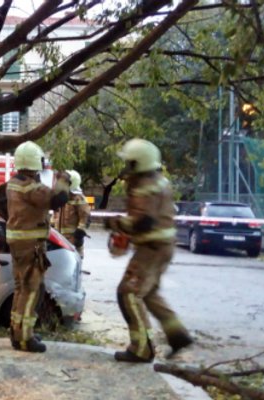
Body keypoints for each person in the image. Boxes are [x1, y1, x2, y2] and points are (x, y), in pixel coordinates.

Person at [103, 139, 193, 363]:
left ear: (138, 163)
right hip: (163, 247)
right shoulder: (159, 181)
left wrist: (116, 224)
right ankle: (178, 334)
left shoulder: (144, 185)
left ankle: (141, 348)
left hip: (150, 249)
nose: (126, 168)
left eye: (129, 163)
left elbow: (143, 222)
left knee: (128, 292)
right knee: (150, 294)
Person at [6, 141, 69, 353]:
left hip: (19, 244)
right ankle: (24, 337)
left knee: (20, 288)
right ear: (35, 162)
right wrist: (63, 181)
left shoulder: (15, 182)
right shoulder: (30, 186)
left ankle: (17, 331)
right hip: (30, 245)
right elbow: (56, 200)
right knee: (31, 289)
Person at [53, 170, 90, 258]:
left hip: (73, 240)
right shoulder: (62, 197)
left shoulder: (79, 198)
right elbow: (56, 214)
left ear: (72, 183)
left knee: (74, 262)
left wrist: (79, 234)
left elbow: (85, 217)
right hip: (59, 239)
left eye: (65, 182)